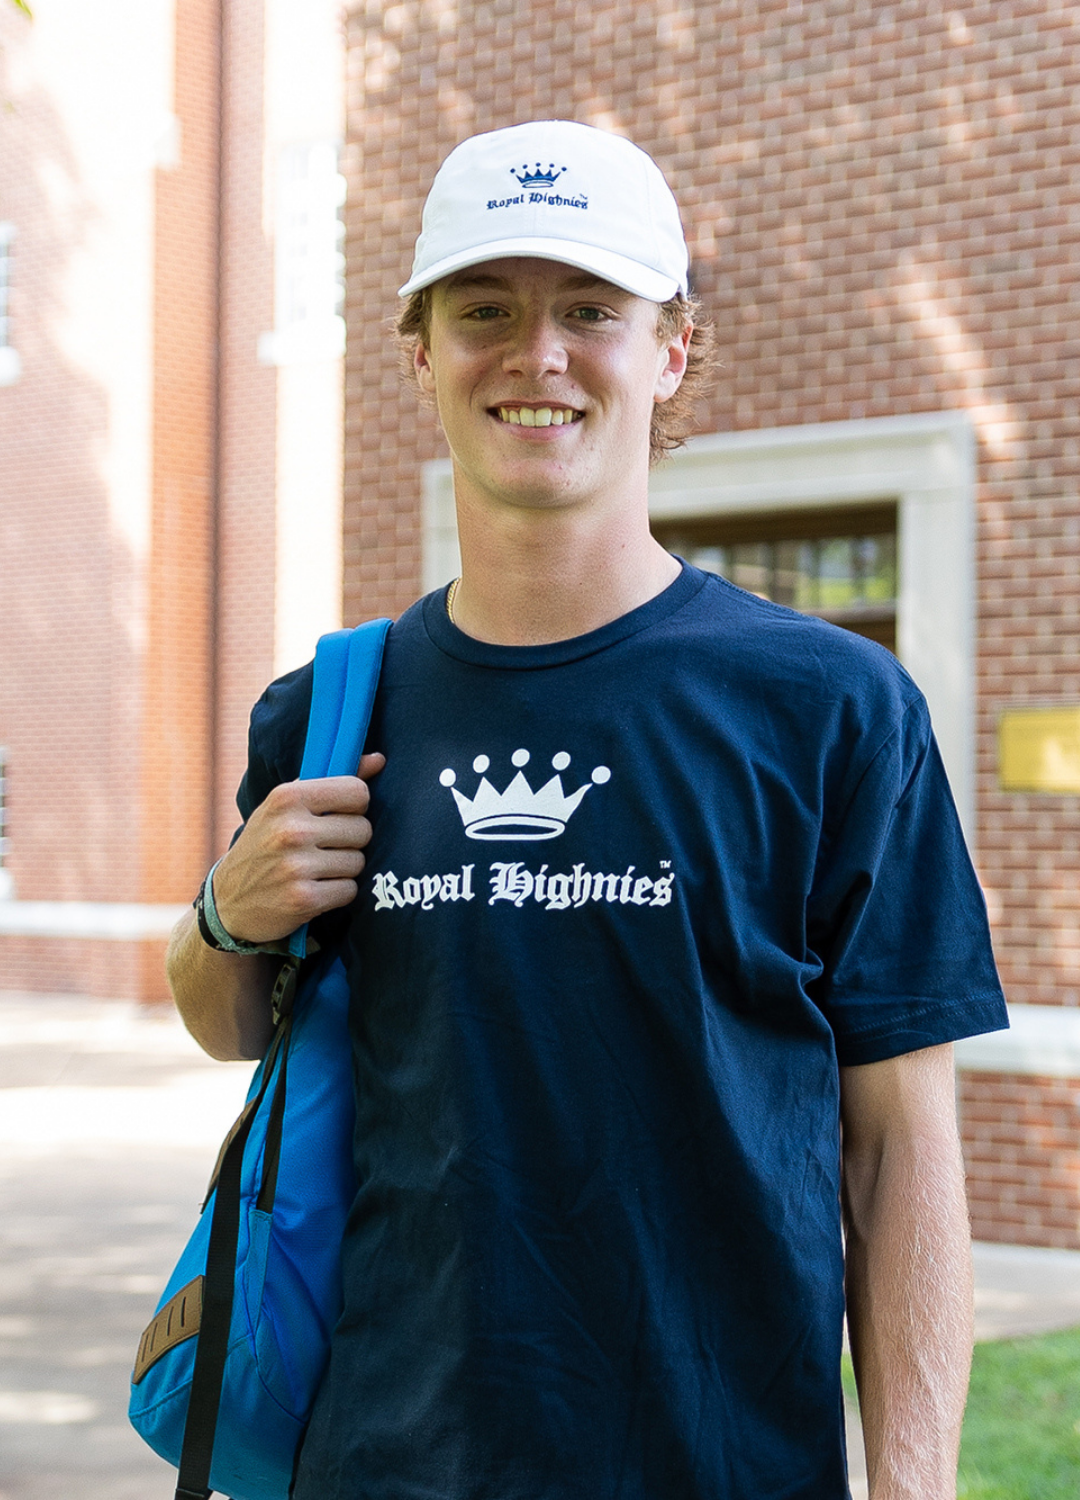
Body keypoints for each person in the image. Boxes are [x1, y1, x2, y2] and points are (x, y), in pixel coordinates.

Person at [168, 120, 1008, 1500]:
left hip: (723, 1462)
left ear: (671, 350)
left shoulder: (833, 709)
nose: (537, 355)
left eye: (590, 311)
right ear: (419, 354)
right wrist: (220, 916)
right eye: (485, 309)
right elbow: (234, 1027)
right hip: (386, 1461)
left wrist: (914, 1482)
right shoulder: (321, 715)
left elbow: (900, 1141)